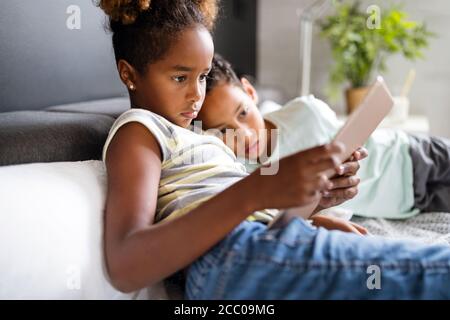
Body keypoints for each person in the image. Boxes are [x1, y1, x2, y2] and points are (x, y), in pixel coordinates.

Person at [98, 0, 450, 299]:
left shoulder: (202, 139)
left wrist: (312, 208)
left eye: (202, 77)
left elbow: (228, 204)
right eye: (180, 77)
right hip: (232, 255)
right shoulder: (139, 130)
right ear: (129, 74)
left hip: (265, 244)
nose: (196, 94)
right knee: (428, 273)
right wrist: (258, 191)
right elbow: (126, 264)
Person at [197, 53, 450, 219]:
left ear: (251, 92)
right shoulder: (247, 178)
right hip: (409, 204)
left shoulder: (305, 111)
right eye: (222, 131)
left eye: (243, 113)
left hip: (411, 153)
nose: (244, 134)